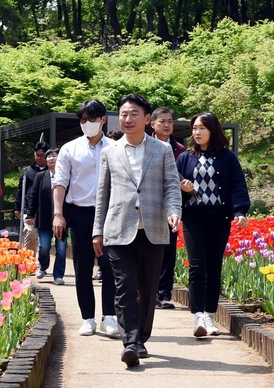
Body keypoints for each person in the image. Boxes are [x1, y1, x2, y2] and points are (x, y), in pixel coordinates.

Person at [93, 94, 182, 367]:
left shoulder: (162, 150)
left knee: (148, 288)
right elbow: (103, 194)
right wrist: (98, 230)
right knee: (124, 286)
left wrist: (174, 210)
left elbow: (171, 185)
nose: (127, 119)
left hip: (153, 228)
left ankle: (141, 336)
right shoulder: (109, 151)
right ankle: (130, 342)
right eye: (123, 114)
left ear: (147, 119)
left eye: (133, 114)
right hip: (119, 229)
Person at [175, 112, 250, 337]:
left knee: (214, 268)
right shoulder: (185, 157)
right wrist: (183, 188)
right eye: (194, 128)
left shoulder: (227, 157)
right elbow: (172, 182)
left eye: (202, 128)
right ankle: (198, 315)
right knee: (198, 267)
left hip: (219, 217)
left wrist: (240, 210)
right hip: (193, 217)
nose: (196, 132)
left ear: (213, 131)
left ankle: (209, 314)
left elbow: (238, 184)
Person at [52, 99, 119, 338]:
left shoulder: (115, 147)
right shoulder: (70, 149)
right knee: (82, 268)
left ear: (103, 119)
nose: (87, 124)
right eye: (83, 120)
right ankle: (88, 318)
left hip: (111, 213)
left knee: (110, 267)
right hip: (79, 213)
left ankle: (109, 317)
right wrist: (58, 214)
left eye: (92, 119)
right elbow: (60, 182)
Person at [150, 107, 186, 310]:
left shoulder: (180, 150)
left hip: (171, 208)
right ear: (152, 123)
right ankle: (147, 292)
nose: (166, 125)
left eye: (170, 121)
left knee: (168, 252)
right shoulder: (144, 145)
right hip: (147, 207)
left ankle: (163, 294)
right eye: (162, 121)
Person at [26, 148, 67, 285]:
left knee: (61, 248)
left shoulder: (66, 175)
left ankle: (58, 275)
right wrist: (30, 214)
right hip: (44, 218)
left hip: (62, 218)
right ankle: (43, 266)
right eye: (48, 156)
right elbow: (33, 196)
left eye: (54, 156)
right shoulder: (41, 176)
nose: (51, 159)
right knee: (44, 246)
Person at [15, 142, 49, 251]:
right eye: (36, 155)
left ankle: (42, 264)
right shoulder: (27, 171)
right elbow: (20, 189)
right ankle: (29, 262)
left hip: (47, 209)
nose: (39, 158)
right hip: (30, 210)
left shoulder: (52, 170)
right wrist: (17, 207)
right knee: (30, 236)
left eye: (41, 155)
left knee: (44, 240)